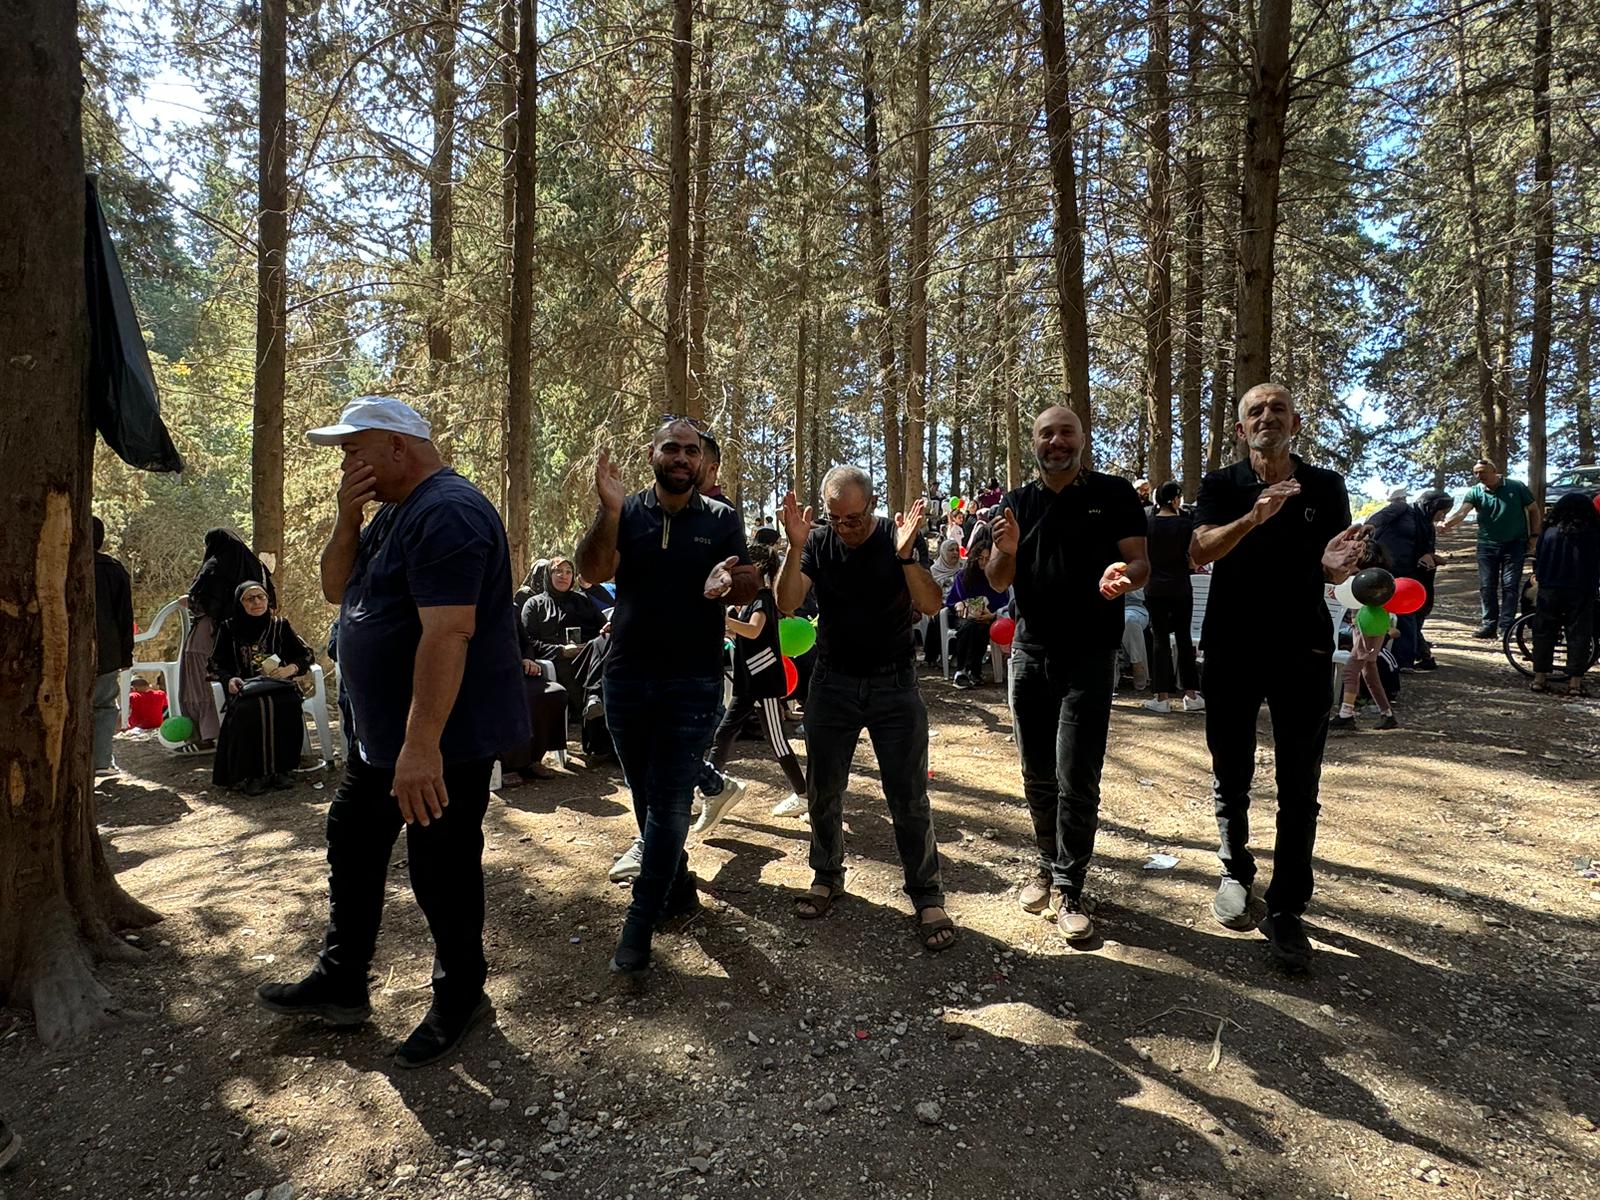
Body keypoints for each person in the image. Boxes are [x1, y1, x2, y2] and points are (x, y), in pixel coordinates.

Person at [257, 396, 528, 1069]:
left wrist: (421, 745)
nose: (345, 464)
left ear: (399, 447)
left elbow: (449, 632)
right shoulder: (391, 513)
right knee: (352, 841)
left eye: (354, 450)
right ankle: (342, 981)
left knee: (441, 867)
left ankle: (461, 994)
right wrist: (345, 518)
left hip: (441, 741)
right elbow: (335, 589)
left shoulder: (448, 511)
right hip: (383, 739)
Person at [1190, 381, 1366, 970]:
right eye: (1256, 411)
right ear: (1241, 428)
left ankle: (1288, 906)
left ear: (1294, 423)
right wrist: (1253, 517)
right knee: (1230, 770)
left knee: (1299, 783)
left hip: (1302, 648)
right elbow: (1200, 551)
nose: (1268, 416)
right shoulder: (1222, 485)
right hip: (1232, 646)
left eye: (1278, 409)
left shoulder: (1326, 486)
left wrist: (1334, 566)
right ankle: (1235, 872)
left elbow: (1333, 564)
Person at [576, 418, 757, 975]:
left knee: (673, 797)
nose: (682, 458)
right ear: (654, 455)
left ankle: (640, 922)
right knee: (644, 792)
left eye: (691, 451)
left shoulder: (721, 517)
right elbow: (591, 572)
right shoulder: (626, 511)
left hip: (694, 678)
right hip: (627, 676)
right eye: (672, 449)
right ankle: (675, 885)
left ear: (703, 461)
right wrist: (608, 511)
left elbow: (749, 581)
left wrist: (732, 582)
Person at [776, 467, 955, 952]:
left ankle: (927, 895)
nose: (844, 528)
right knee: (823, 790)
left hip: (894, 684)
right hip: (832, 683)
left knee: (908, 796)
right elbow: (787, 603)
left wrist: (905, 555)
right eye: (835, 518)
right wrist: (795, 545)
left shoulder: (898, 539)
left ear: (872, 507)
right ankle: (826, 876)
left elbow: (931, 604)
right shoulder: (817, 541)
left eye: (853, 518)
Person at [985, 407, 1148, 942]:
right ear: (1034, 442)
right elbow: (997, 580)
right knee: (1036, 772)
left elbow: (1141, 563)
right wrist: (1006, 550)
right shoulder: (1017, 502)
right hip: (1030, 652)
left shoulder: (1114, 493)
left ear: (1082, 439)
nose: (1056, 441)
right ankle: (1046, 864)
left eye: (1066, 432)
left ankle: (1069, 885)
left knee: (1077, 774)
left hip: (1091, 654)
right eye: (1046, 434)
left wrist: (1125, 576)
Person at [703, 542, 809, 822]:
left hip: (764, 684)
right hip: (747, 683)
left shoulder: (763, 598)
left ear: (757, 568)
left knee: (777, 741)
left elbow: (753, 630)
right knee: (723, 734)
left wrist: (727, 622)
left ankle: (804, 795)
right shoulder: (749, 600)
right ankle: (709, 790)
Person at [211, 581, 315, 793]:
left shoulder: (280, 625)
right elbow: (216, 663)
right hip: (245, 688)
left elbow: (305, 654)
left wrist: (291, 668)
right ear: (240, 603)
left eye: (261, 597)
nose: (257, 602)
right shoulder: (228, 628)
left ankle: (283, 770)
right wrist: (229, 679)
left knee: (287, 704)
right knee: (249, 710)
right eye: (250, 599)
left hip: (279, 686)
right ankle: (253, 775)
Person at [179, 529, 275, 748]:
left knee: (203, 683)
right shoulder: (256, 567)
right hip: (249, 636)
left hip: (209, 635)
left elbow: (202, 603)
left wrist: (187, 601)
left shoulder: (214, 567)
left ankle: (207, 734)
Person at [1440, 459, 1540, 638]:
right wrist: (1447, 523)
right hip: (1487, 545)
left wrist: (1534, 536)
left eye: (1483, 472)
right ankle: (1489, 625)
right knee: (1487, 586)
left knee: (1510, 586)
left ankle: (1506, 626)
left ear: (1494, 471)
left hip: (1515, 544)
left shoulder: (1516, 486)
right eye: (1476, 473)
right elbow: (1463, 512)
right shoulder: (1476, 491)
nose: (1480, 476)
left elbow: (1534, 509)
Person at [1368, 488, 1450, 670]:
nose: (1442, 516)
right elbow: (1381, 517)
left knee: (1408, 614)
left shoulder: (1427, 526)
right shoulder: (1403, 509)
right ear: (1431, 506)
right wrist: (1368, 526)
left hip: (1410, 575)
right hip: (1385, 569)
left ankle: (1406, 660)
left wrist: (1430, 558)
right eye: (1441, 511)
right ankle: (1396, 657)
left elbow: (1427, 550)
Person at [519, 554, 608, 720]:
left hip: (591, 657)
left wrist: (593, 644)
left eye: (568, 572)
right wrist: (561, 651)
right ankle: (591, 702)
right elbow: (528, 642)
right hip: (558, 663)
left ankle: (595, 700)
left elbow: (604, 628)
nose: (563, 576)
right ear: (548, 575)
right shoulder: (534, 604)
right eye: (558, 571)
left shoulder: (583, 601)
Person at [1530, 492, 1600, 696]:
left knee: (1544, 632)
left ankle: (1539, 678)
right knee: (1579, 635)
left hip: (1550, 587)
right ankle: (1575, 683)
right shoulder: (1592, 533)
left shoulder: (1549, 532)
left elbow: (1538, 557)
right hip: (1581, 589)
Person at [1142, 482, 1202, 713]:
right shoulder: (1186, 525)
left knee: (1160, 640)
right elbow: (1193, 561)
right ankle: (1191, 695)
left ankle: (1162, 698)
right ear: (1176, 500)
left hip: (1154, 588)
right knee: (1184, 639)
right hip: (1181, 588)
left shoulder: (1148, 525)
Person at [92, 516, 134, 776]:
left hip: (61, 653)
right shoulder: (113, 569)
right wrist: (125, 655)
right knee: (104, 705)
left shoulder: (57, 563)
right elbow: (124, 616)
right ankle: (101, 761)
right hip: (106, 652)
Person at [944, 523, 1009, 689]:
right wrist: (960, 606)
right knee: (971, 626)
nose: (984, 562)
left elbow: (1003, 602)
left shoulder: (995, 577)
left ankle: (966, 671)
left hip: (989, 618)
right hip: (963, 618)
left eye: (988, 559)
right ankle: (968, 670)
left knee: (980, 627)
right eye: (981, 558)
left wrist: (991, 615)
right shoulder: (964, 576)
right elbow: (953, 601)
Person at [503, 628, 568, 784]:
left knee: (555, 693)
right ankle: (508, 766)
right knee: (514, 698)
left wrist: (527, 658)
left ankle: (534, 758)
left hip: (520, 672)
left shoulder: (511, 614)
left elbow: (526, 643)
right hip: (492, 675)